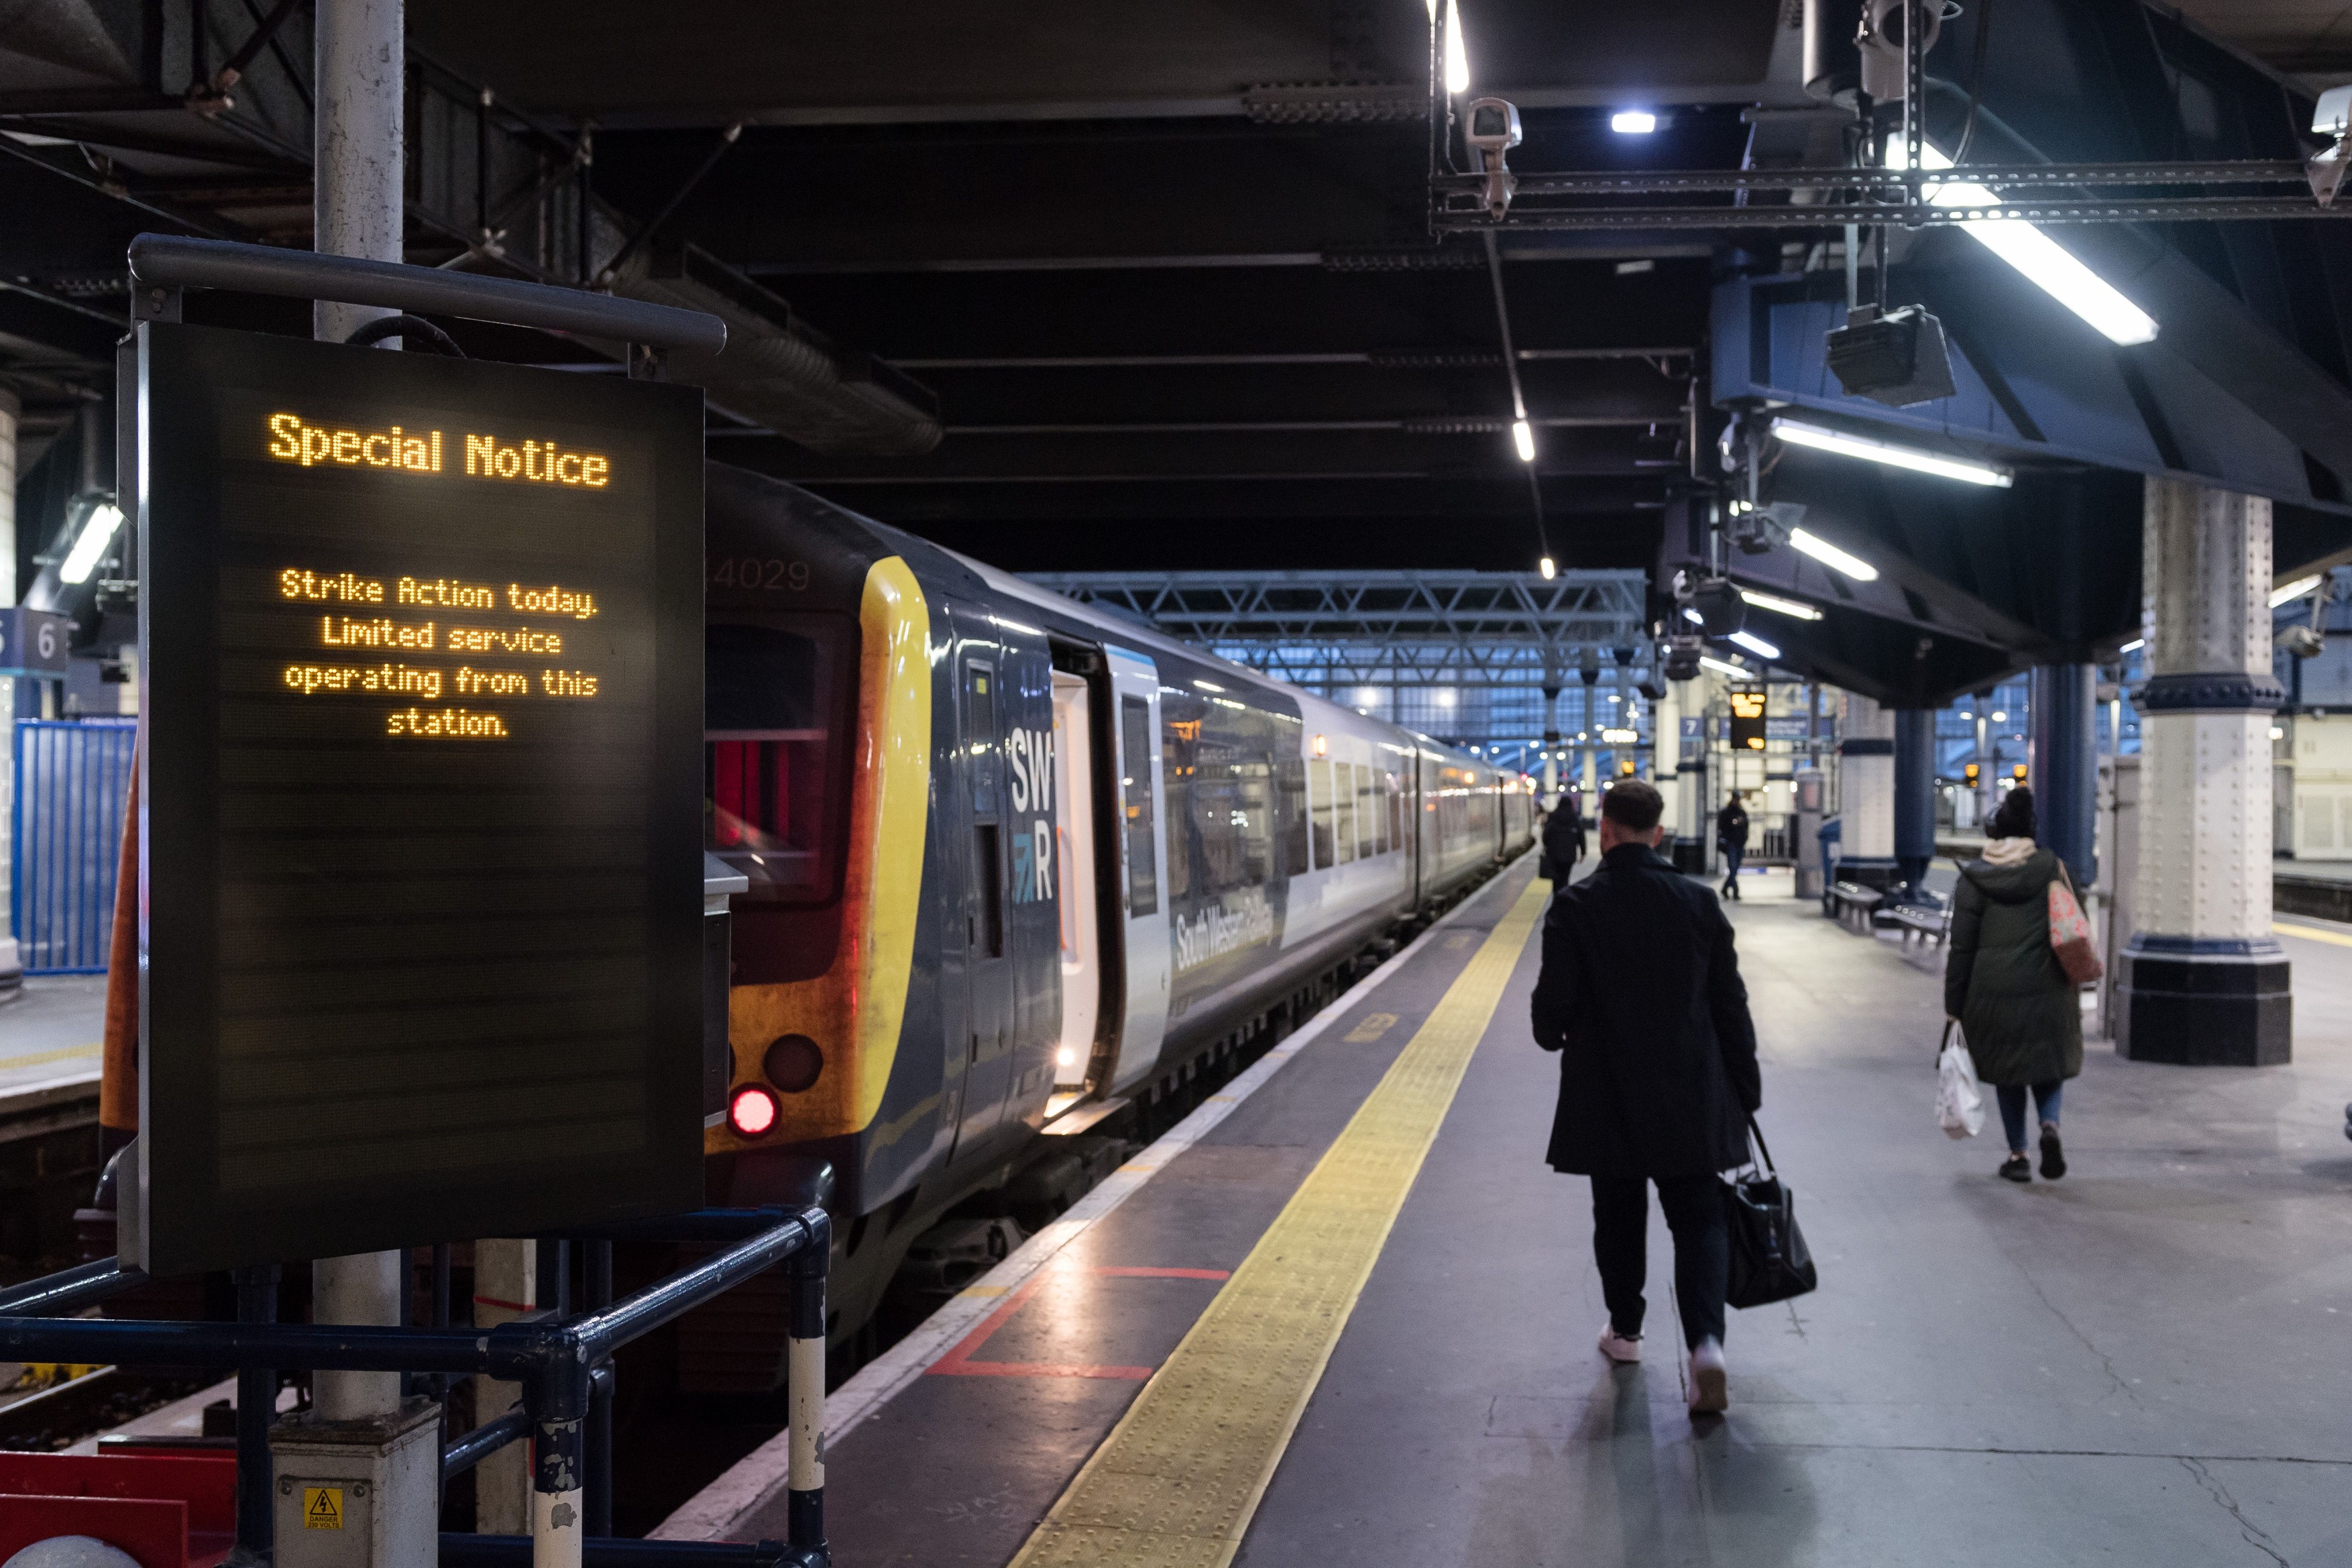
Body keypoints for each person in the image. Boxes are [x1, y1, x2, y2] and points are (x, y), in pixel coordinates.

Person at [1529, 777, 1762, 1417]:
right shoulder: (1697, 903)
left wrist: (1561, 1031)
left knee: (1619, 1210)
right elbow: (1729, 1007)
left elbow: (1550, 1019)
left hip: (1608, 1092)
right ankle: (1706, 1346)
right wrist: (1745, 1088)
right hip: (1692, 1088)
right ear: (1659, 833)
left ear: (1603, 831)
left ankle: (1625, 1332)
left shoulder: (1576, 907)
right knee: (1698, 1215)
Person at [1944, 785, 2082, 1183]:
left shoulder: (1974, 879)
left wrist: (1954, 1005)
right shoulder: (2052, 868)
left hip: (1992, 996)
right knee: (2047, 1066)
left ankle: (2018, 1155)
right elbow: (2075, 923)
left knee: (2008, 1075)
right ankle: (2050, 1127)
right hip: (2049, 988)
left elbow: (1962, 949)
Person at [1541, 787, 1586, 883]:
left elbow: (1546, 834)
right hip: (1569, 855)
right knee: (1565, 878)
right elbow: (1581, 836)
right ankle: (1563, 894)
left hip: (1554, 854)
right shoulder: (1574, 818)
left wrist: (1547, 846)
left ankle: (1557, 895)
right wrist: (1583, 852)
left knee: (1556, 879)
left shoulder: (1553, 816)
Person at [1716, 792, 1751, 899]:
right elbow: (1722, 827)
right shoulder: (1726, 812)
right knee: (1732, 867)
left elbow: (1746, 826)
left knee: (1735, 869)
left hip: (1739, 843)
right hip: (1731, 843)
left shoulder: (1742, 812)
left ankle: (1725, 888)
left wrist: (1745, 838)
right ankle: (1736, 891)